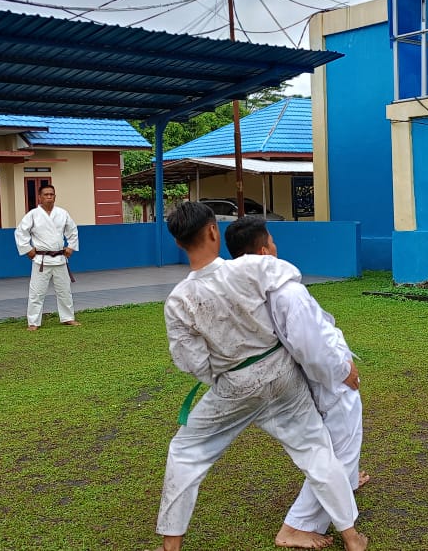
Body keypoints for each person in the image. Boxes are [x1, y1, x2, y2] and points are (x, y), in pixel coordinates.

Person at [155, 201, 368, 551]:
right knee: (317, 450)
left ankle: (171, 546)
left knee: (186, 452)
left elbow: (189, 361)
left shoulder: (179, 300)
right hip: (283, 375)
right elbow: (286, 278)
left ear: (179, 243)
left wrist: (223, 376)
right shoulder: (252, 268)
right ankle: (351, 537)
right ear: (213, 231)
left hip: (234, 383)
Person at [224, 216, 369, 547]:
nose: (276, 245)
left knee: (338, 442)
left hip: (289, 378)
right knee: (339, 445)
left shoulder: (246, 292)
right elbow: (310, 346)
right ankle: (298, 525)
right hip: (323, 376)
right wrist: (341, 371)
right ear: (264, 251)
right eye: (271, 240)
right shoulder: (287, 292)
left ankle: (345, 485)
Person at [14, 183, 80, 331]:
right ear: (40, 197)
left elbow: (72, 230)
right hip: (41, 259)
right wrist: (28, 249)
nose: (49, 197)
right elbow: (20, 232)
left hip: (60, 258)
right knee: (36, 292)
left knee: (64, 291)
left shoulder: (62, 213)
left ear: (55, 196)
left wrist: (70, 246)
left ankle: (68, 318)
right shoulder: (33, 215)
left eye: (52, 194)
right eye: (46, 194)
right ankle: (33, 322)